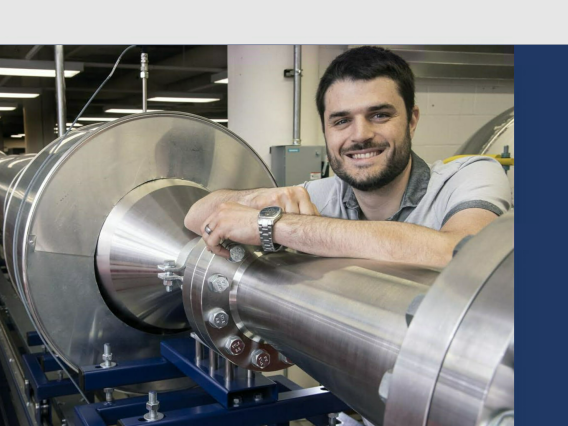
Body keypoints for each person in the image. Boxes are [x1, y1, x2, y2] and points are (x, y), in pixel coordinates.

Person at [184, 46, 511, 269]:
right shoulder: (321, 196)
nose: (359, 135)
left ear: (412, 119)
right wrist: (259, 198)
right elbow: (196, 216)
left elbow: (460, 254)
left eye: (380, 115)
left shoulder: (469, 176)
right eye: (341, 121)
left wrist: (278, 227)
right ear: (326, 130)